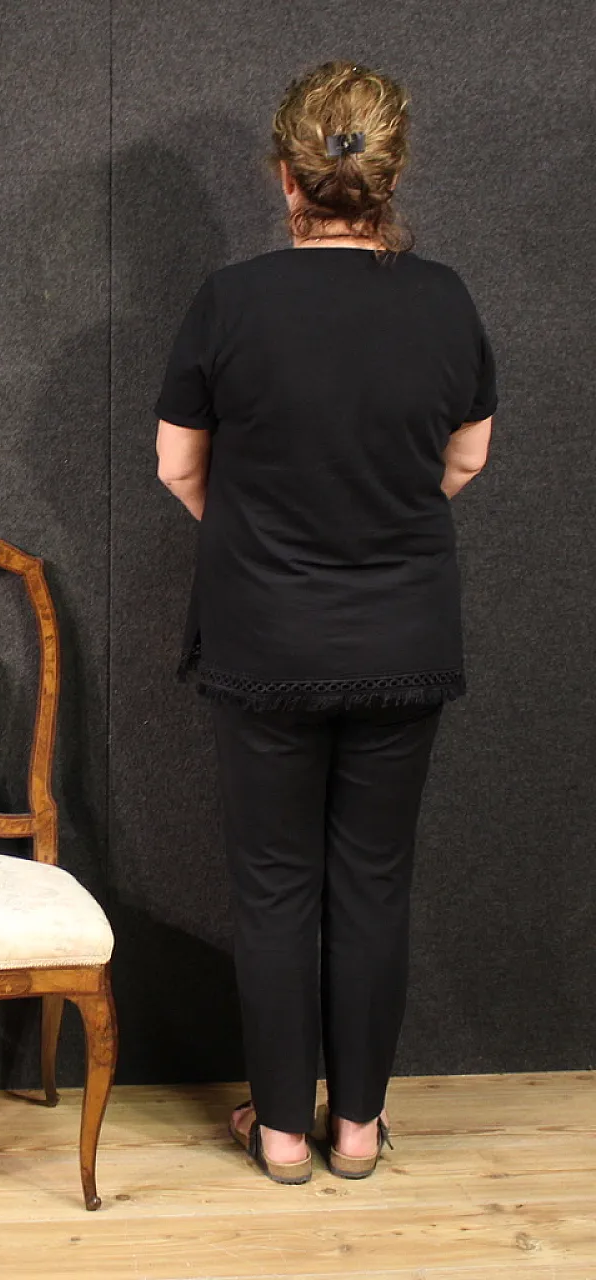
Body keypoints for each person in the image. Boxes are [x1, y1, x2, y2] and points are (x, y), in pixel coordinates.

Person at [154, 60, 496, 1183]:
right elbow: (466, 455)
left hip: (263, 640)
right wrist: (376, 516)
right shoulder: (443, 298)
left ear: (283, 177)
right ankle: (357, 1129)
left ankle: (283, 1135)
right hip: (401, 636)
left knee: (272, 887)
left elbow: (177, 467)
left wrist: (263, 526)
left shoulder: (230, 300)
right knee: (372, 882)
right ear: (389, 175)